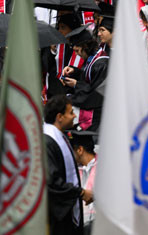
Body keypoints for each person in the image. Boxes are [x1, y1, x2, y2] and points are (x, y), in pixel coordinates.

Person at [44, 97, 87, 235]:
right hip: (56, 214)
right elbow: (51, 180)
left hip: (65, 210)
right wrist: (80, 192)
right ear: (59, 117)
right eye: (71, 113)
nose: (75, 116)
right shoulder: (47, 141)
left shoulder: (61, 137)